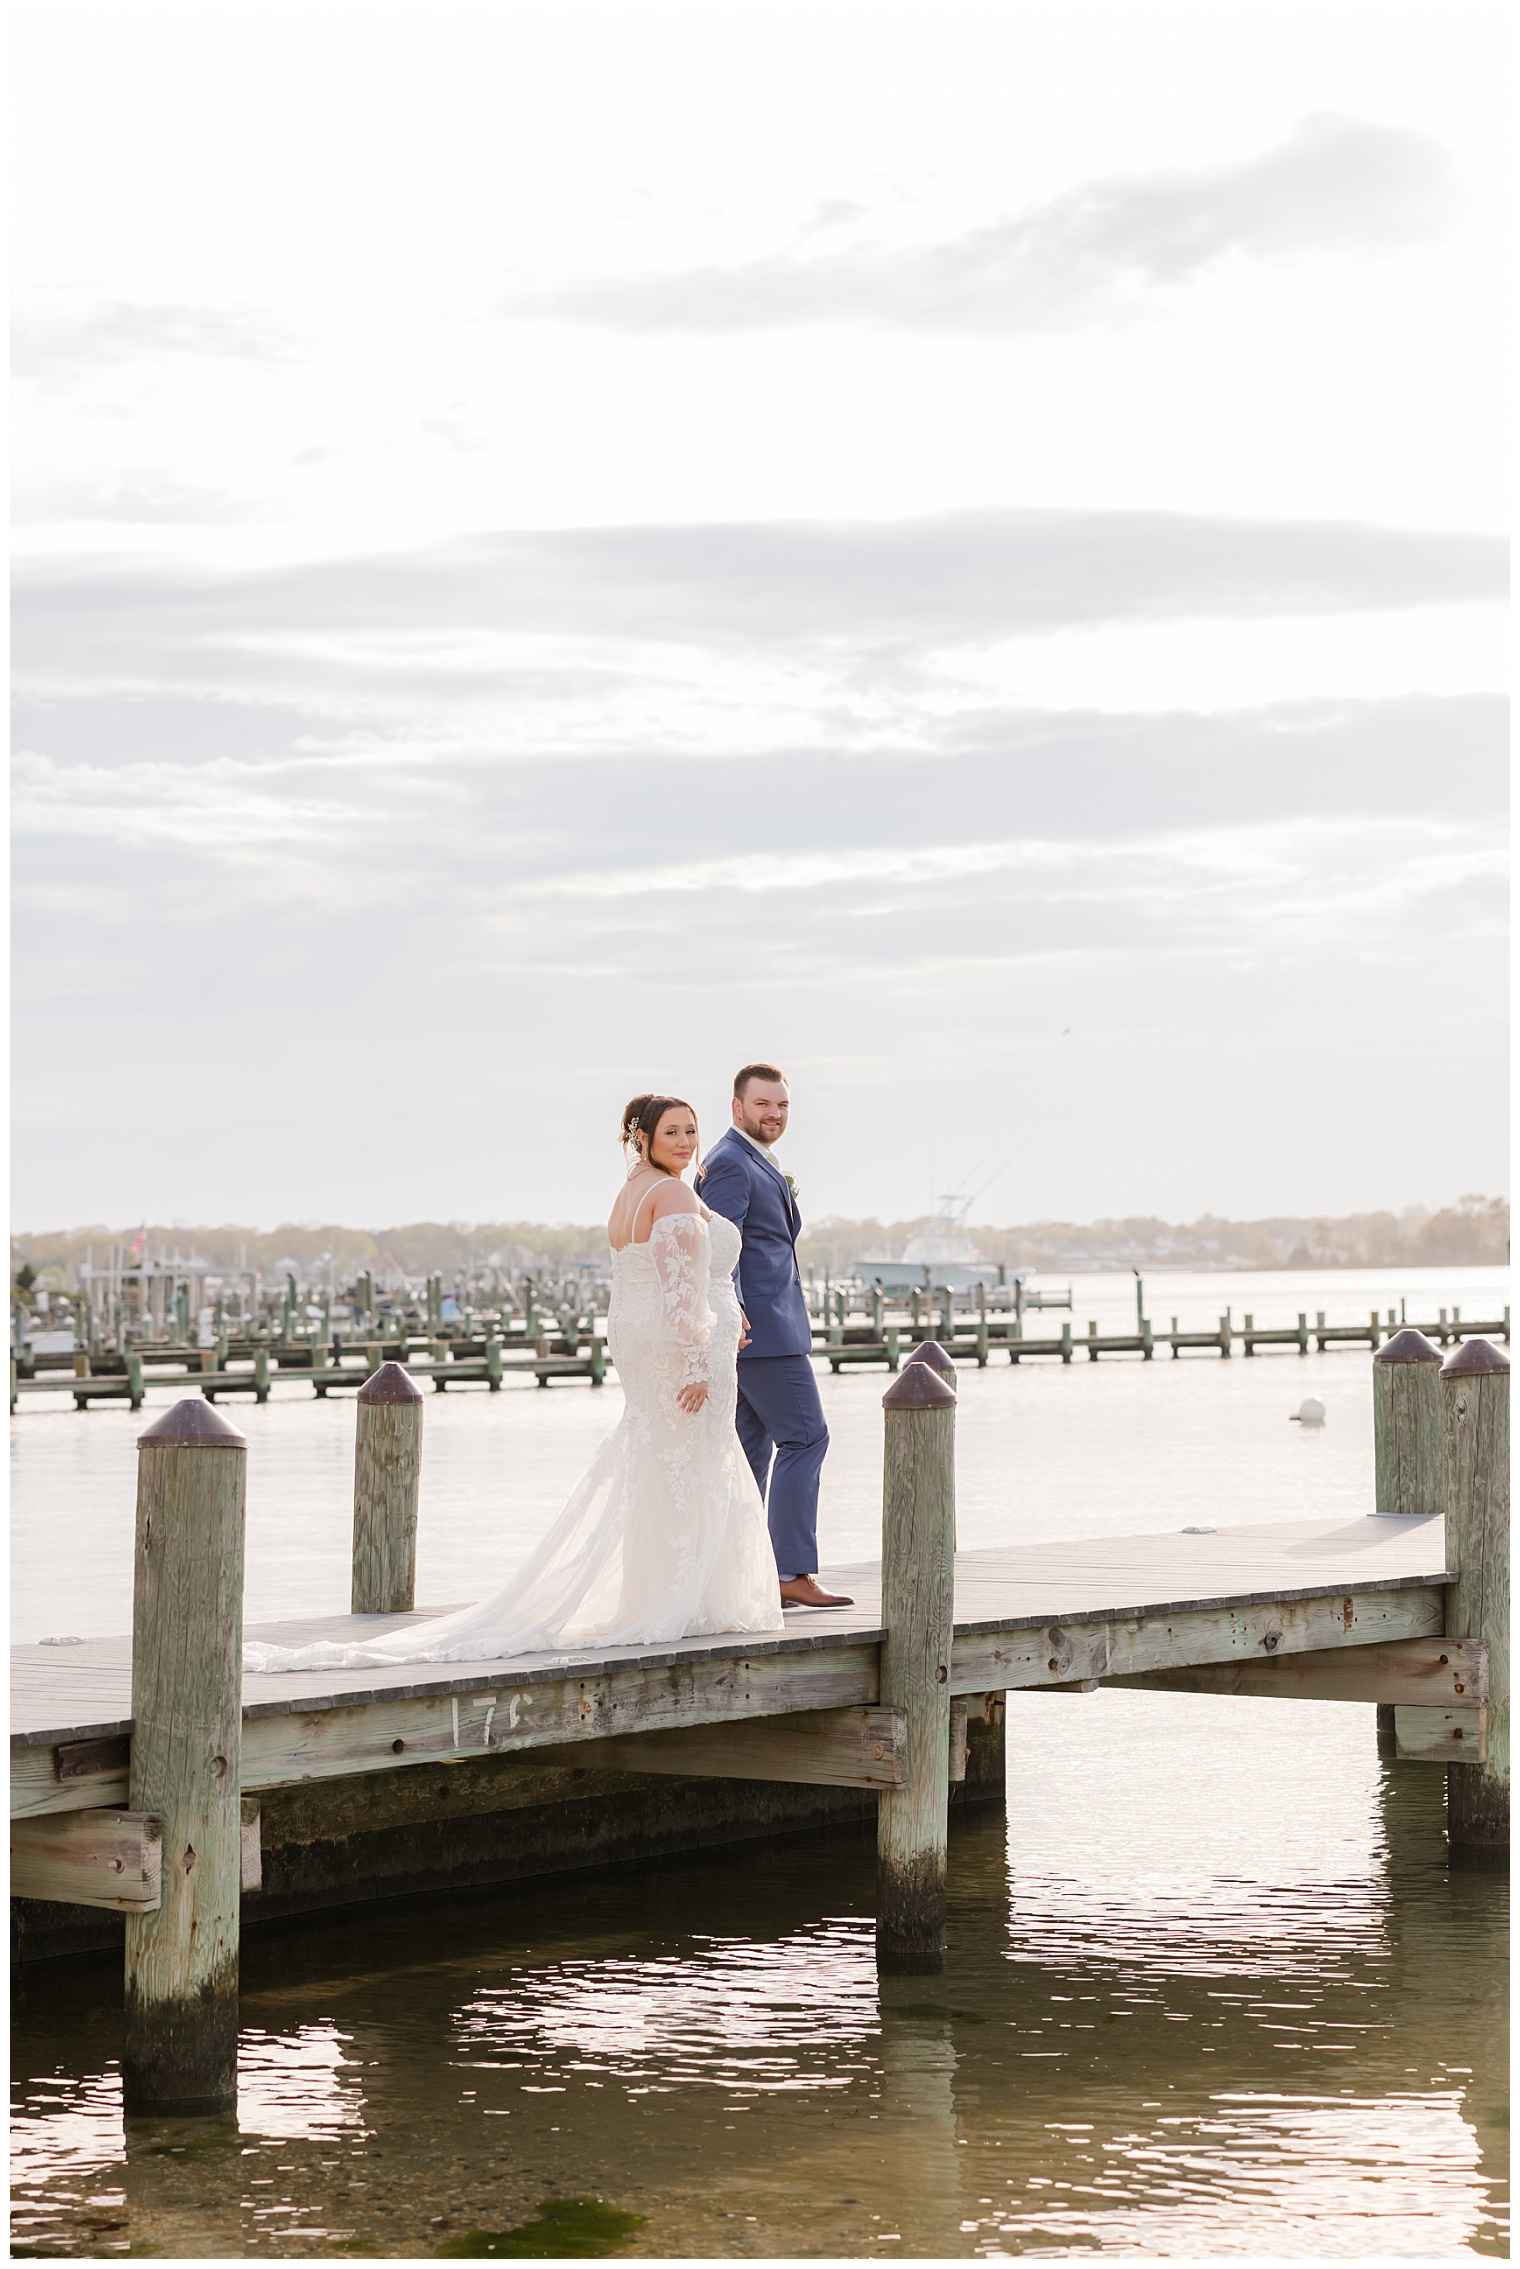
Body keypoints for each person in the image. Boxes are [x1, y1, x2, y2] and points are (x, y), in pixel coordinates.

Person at [243, 1094, 785, 1671]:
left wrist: (724, 1307)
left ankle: (664, 1595)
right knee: (694, 1461)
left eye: (691, 1131)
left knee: (664, 1462)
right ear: (643, 1137)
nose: (684, 1141)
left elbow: (656, 1279)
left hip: (645, 1347)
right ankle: (686, 1601)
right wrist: (699, 1361)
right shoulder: (675, 1193)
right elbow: (679, 1292)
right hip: (683, 1355)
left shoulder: (632, 1193)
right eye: (672, 1132)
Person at [697, 1064, 852, 1610]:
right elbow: (720, 1247)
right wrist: (733, 1309)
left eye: (782, 1106)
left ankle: (741, 1570)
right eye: (763, 1104)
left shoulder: (751, 1159)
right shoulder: (731, 1164)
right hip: (760, 1333)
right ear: (737, 1107)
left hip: (761, 1328)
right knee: (806, 1437)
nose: (774, 1114)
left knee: (749, 1450)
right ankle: (790, 1571)